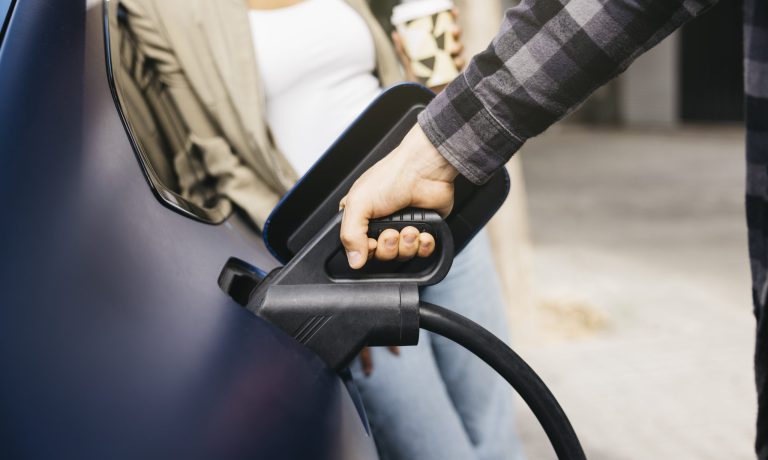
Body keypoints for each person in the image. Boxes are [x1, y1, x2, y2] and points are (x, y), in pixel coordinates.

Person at [338, 0, 768, 457]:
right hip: (352, 235)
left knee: (495, 424)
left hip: (423, 209)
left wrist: (432, 140)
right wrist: (430, 154)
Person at [118, 1, 524, 459]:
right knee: (436, 450)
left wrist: (436, 85)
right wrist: (314, 281)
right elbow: (215, 166)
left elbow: (385, 84)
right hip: (343, 258)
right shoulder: (166, 12)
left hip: (436, 219)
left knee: (496, 433)